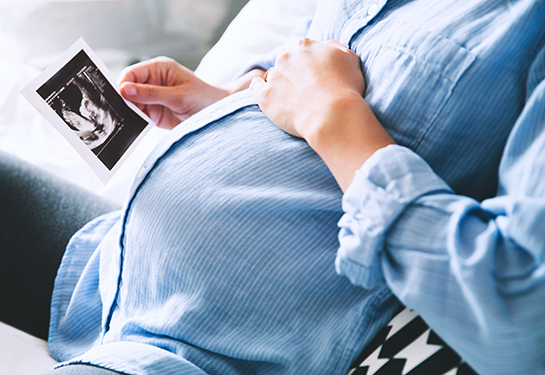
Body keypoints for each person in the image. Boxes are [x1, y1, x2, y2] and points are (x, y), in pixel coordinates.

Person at [0, 1, 543, 375]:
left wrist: (333, 115)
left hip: (208, 347)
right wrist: (231, 103)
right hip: (111, 270)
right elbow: (327, 84)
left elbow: (521, 315)